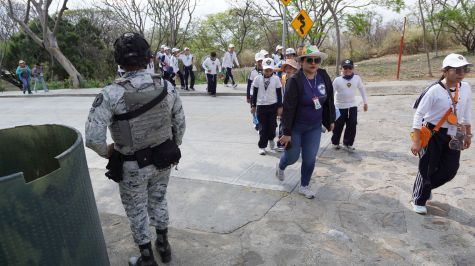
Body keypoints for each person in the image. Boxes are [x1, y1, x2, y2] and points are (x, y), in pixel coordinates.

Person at [85, 32, 186, 265]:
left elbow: (92, 138)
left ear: (119, 62)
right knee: (159, 200)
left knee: (137, 209)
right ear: (149, 57)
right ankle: (164, 246)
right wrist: (170, 147)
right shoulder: (167, 87)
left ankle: (147, 258)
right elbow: (179, 125)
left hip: (132, 165)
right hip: (163, 159)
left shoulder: (110, 93)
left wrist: (108, 152)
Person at [410, 53, 472, 215]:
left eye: (464, 69)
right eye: (456, 70)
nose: (461, 73)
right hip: (433, 132)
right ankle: (419, 198)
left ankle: (426, 186)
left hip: (455, 132)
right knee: (427, 168)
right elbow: (418, 115)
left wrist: (468, 134)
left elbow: (466, 112)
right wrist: (416, 141)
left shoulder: (465, 87)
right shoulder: (433, 90)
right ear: (444, 71)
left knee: (450, 169)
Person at [277, 45, 336, 199]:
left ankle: (304, 185)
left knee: (310, 158)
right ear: (302, 62)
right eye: (309, 60)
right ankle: (281, 166)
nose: (313, 63)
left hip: (314, 127)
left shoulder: (323, 75)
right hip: (295, 127)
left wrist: (330, 120)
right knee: (292, 157)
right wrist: (287, 132)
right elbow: (288, 108)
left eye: (316, 60)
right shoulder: (295, 80)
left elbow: (328, 99)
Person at [331, 59, 368, 151]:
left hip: (352, 106)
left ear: (353, 68)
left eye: (350, 68)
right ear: (341, 68)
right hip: (339, 106)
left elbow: (362, 89)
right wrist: (330, 106)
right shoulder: (337, 80)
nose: (347, 70)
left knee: (352, 124)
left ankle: (348, 143)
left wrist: (365, 102)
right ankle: (335, 142)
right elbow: (331, 93)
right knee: (338, 125)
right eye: (345, 68)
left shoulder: (357, 78)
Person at [251, 58, 283, 155]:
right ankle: (262, 146)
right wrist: (253, 105)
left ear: (273, 69)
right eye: (266, 70)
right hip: (261, 106)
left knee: (272, 126)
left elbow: (279, 94)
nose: (268, 72)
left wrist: (279, 107)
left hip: (272, 106)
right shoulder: (257, 78)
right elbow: (254, 93)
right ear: (262, 68)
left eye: (270, 70)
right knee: (263, 128)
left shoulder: (276, 79)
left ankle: (271, 139)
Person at [276, 59, 299, 152]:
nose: (289, 69)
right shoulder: (282, 78)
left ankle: (291, 142)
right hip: (284, 104)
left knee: (292, 124)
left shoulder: (297, 79)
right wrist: (280, 105)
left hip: (293, 106)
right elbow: (280, 92)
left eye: (291, 68)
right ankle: (281, 142)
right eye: (287, 67)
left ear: (294, 69)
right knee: (283, 123)